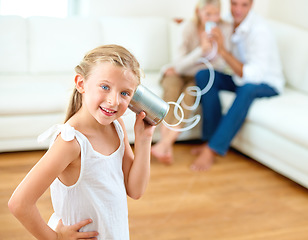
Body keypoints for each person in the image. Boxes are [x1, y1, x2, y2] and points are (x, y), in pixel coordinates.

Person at [8, 44, 156, 239]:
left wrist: (144, 140)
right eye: (105, 87)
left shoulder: (116, 126)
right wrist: (56, 238)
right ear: (81, 83)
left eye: (125, 93)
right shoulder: (71, 142)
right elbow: (19, 203)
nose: (114, 101)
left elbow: (135, 190)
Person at [191, 0, 285, 171]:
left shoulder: (260, 31)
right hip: (239, 78)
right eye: (234, 4)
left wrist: (223, 52)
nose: (238, 10)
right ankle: (209, 139)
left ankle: (213, 149)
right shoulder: (227, 21)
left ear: (252, 5)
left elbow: (252, 75)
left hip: (266, 82)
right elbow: (205, 22)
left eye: (244, 5)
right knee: (204, 75)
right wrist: (187, 25)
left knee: (247, 88)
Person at [151, 0, 233, 165]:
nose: (212, 18)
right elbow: (178, 64)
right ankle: (166, 147)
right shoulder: (188, 27)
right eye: (207, 14)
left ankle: (165, 144)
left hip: (197, 77)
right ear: (198, 12)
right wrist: (201, 51)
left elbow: (218, 65)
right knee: (172, 95)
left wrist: (217, 46)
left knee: (189, 98)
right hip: (176, 74)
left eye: (216, 14)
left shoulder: (225, 29)